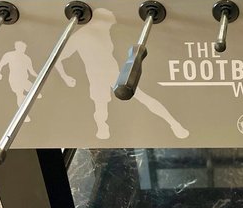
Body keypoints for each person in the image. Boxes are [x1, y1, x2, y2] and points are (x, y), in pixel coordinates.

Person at [54, 8, 188, 140]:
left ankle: (174, 124)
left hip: (116, 73)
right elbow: (57, 59)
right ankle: (102, 127)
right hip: (96, 77)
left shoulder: (103, 31)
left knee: (144, 98)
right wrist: (65, 77)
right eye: (108, 23)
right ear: (98, 21)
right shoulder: (80, 36)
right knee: (100, 107)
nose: (110, 25)